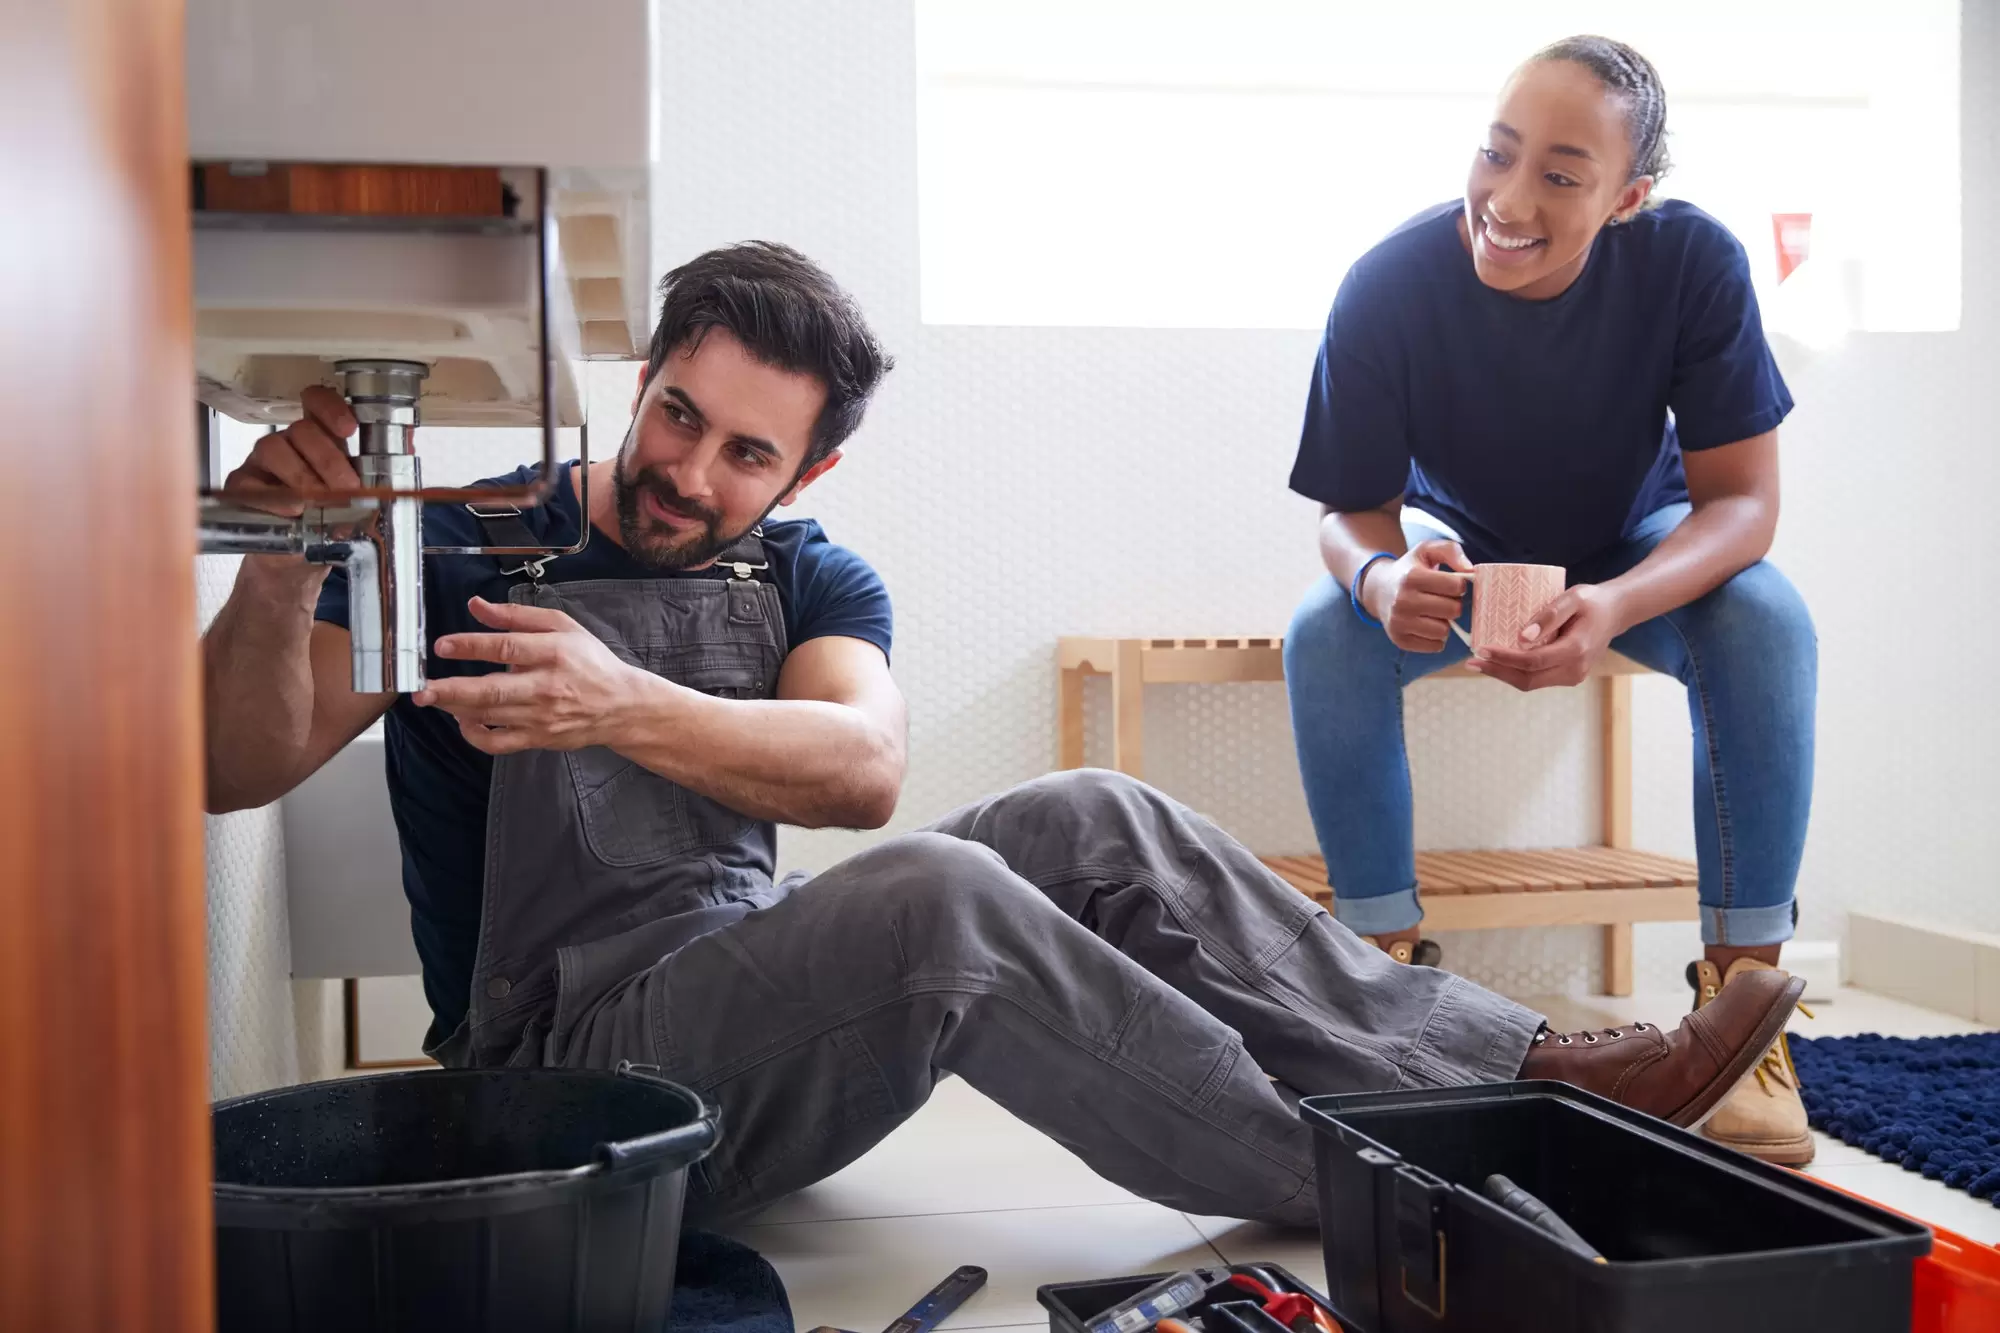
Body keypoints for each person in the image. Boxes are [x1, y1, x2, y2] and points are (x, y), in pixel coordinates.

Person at [204, 240, 1804, 1227]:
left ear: (807, 476)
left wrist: (623, 701)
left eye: (749, 452)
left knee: (1095, 812)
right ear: (642, 380)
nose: (693, 469)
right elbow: (234, 766)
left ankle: (1526, 1075)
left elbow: (860, 770)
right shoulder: (469, 541)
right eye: (679, 415)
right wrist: (295, 558)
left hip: (739, 1012)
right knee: (942, 906)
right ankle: (1400, 1189)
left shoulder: (811, 576)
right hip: (565, 1086)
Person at [1281, 36, 1815, 1164]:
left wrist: (1615, 602)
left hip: (1636, 542)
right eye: (1495, 153)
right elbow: (1350, 511)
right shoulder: (1387, 282)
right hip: (1455, 547)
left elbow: (1741, 506)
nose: (1507, 199)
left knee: (1766, 619)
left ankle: (1745, 1006)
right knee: (1324, 632)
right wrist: (1379, 580)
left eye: (1560, 176)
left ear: (1628, 198)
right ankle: (1375, 1003)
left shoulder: (1692, 263)